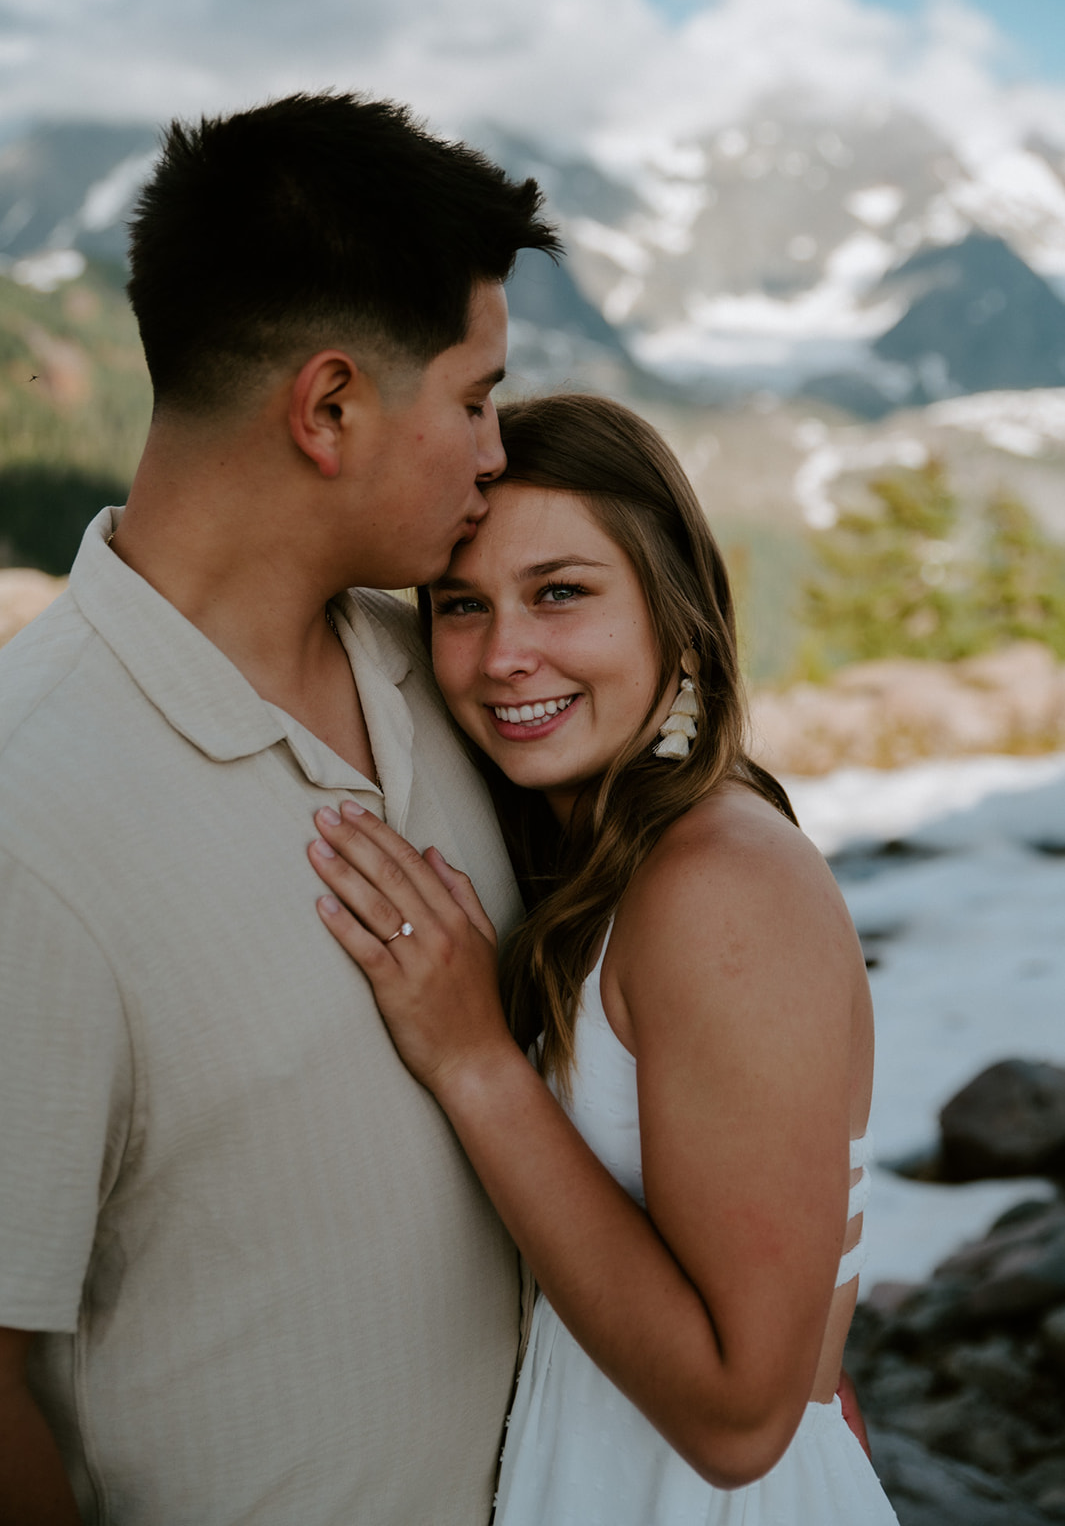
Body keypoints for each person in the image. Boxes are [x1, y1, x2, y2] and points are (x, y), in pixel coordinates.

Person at [0, 92, 560, 1524]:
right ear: (328, 408)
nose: (497, 454)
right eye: (476, 398)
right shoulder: (31, 813)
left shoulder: (460, 670)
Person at [306, 393, 900, 1523]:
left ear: (675, 617)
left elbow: (739, 1419)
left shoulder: (719, 880)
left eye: (561, 592)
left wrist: (476, 1058)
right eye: (460, 604)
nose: (502, 656)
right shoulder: (616, 867)